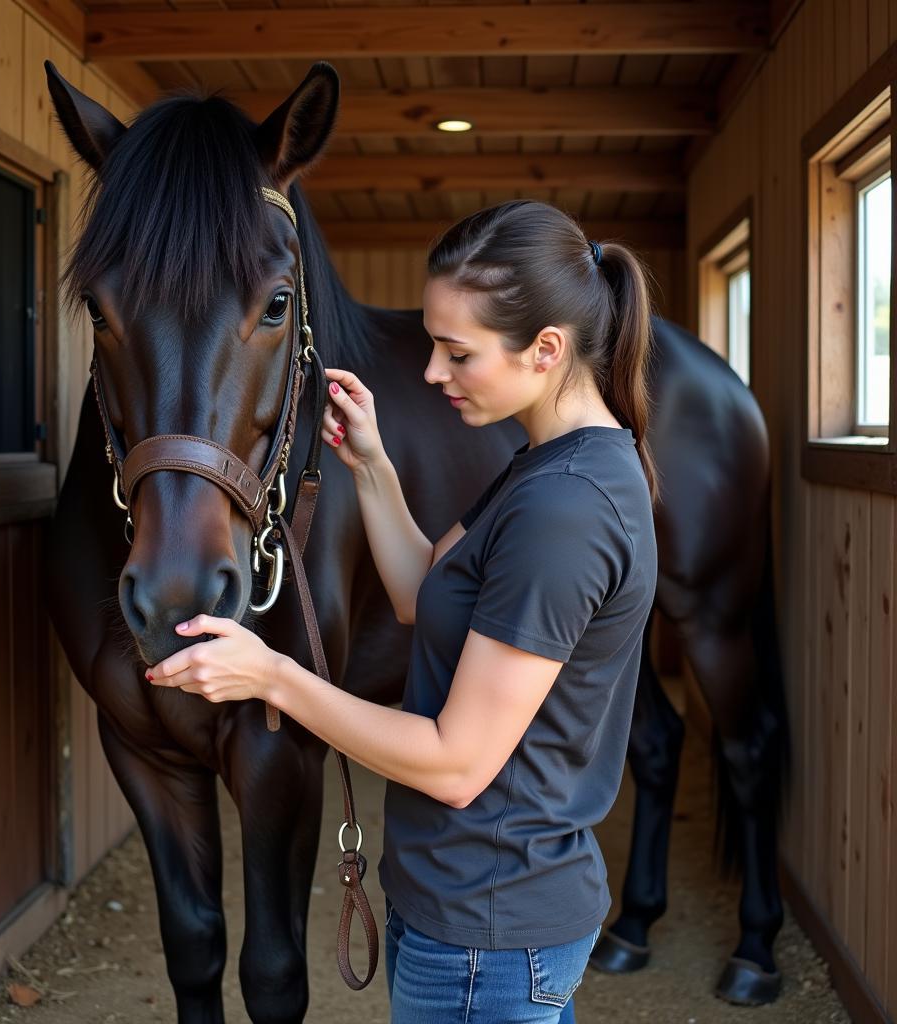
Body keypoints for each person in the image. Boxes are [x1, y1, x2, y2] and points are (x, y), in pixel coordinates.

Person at [147, 200, 659, 1023]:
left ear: (547, 349)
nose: (429, 372)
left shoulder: (564, 511)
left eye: (458, 352)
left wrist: (272, 675)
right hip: (477, 914)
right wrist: (375, 465)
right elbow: (427, 591)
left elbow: (456, 763)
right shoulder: (546, 463)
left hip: (487, 938)